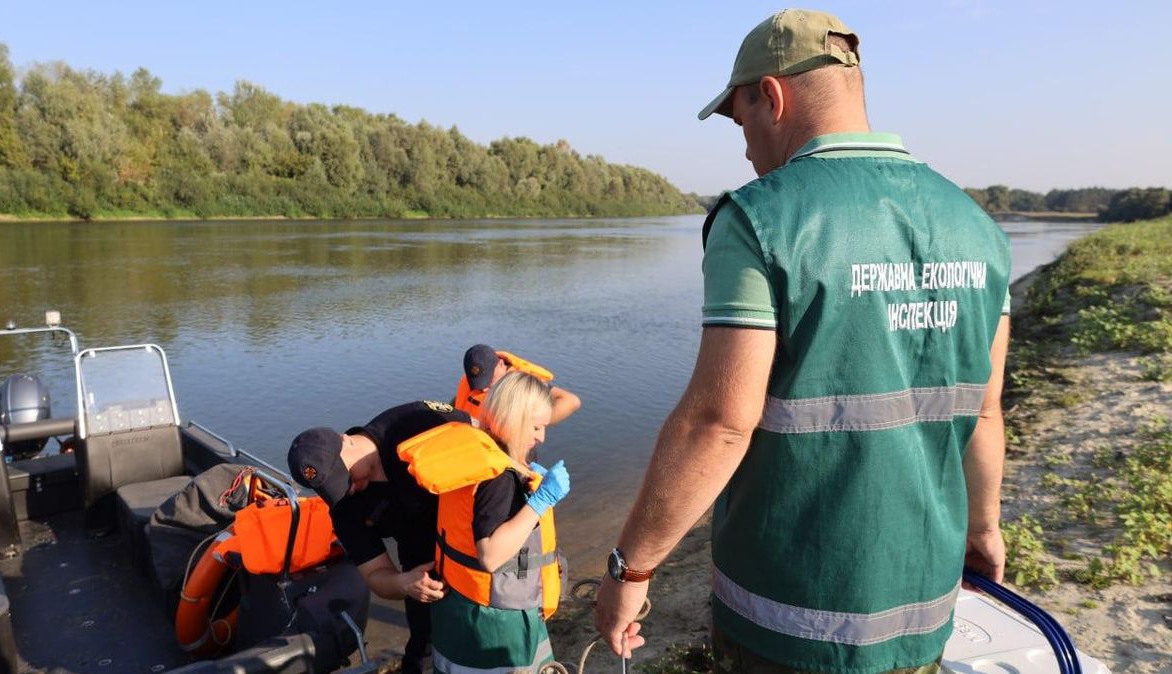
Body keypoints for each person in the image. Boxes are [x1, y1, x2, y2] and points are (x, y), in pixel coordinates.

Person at [594, 9, 1012, 674]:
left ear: (772, 95)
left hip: (787, 620)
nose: (746, 147)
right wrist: (983, 529)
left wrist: (630, 569)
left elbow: (718, 423)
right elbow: (985, 412)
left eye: (741, 121)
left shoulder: (760, 219)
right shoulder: (977, 226)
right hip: (924, 607)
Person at [402, 371, 570, 674]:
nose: (541, 436)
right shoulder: (498, 477)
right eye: (536, 426)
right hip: (493, 623)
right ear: (514, 418)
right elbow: (490, 555)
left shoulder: (476, 453)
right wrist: (541, 501)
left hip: (459, 611)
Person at [286, 400, 471, 674]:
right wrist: (404, 583)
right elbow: (376, 575)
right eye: (334, 488)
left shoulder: (413, 422)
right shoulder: (345, 507)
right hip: (423, 571)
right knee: (423, 653)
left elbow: (486, 441)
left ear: (346, 441)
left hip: (472, 547)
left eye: (345, 476)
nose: (347, 490)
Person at [454, 343, 581, 423]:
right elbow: (460, 402)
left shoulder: (520, 383)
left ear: (501, 364)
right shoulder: (472, 380)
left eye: (488, 380)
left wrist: (531, 426)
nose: (484, 389)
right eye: (479, 383)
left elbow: (570, 401)